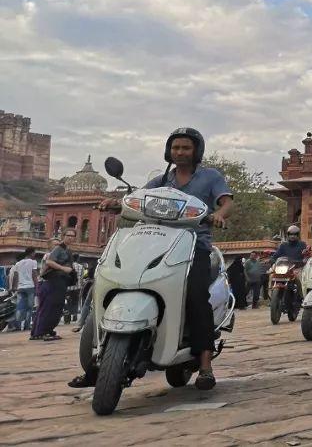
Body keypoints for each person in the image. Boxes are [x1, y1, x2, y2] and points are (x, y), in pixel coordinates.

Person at [69, 127, 233, 391]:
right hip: (153, 242)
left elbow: (225, 202)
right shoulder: (161, 181)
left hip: (193, 247)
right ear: (169, 151)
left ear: (197, 151)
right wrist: (115, 203)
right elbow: (136, 199)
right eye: (175, 147)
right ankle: (99, 358)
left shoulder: (210, 177)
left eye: (186, 148)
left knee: (195, 296)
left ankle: (205, 364)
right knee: (112, 278)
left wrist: (219, 214)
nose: (179, 152)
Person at [32, 229, 77, 341]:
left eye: (73, 236)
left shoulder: (67, 250)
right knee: (51, 306)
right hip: (54, 280)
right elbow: (49, 262)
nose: (70, 238)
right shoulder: (59, 248)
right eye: (68, 235)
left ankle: (43, 331)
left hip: (61, 281)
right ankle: (43, 331)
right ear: (64, 236)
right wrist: (63, 268)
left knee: (55, 306)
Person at [9, 248, 38, 332]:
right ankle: (26, 326)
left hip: (20, 288)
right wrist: (37, 287)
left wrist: (14, 287)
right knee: (29, 308)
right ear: (31, 253)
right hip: (30, 287)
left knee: (20, 307)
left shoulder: (18, 263)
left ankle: (17, 326)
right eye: (34, 253)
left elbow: (15, 276)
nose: (34, 254)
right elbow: (34, 275)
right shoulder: (33, 262)